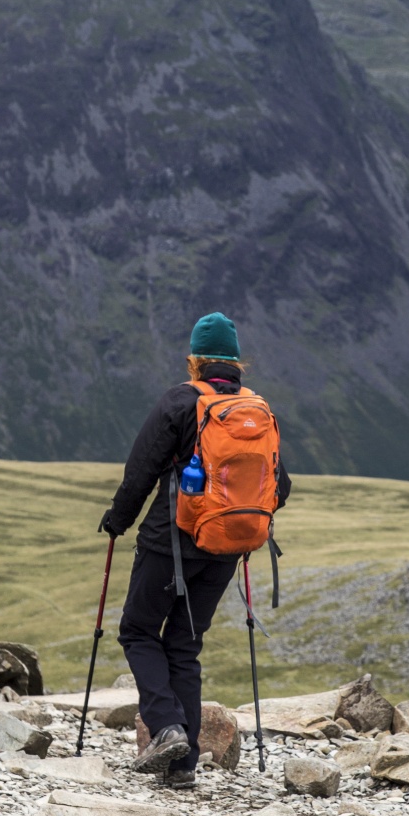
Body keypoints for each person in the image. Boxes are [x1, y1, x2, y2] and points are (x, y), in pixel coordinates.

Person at [98, 312, 290, 788]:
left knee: (139, 631)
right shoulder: (256, 411)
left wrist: (118, 521)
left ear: (195, 361)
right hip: (227, 548)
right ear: (236, 362)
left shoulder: (181, 403)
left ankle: (165, 729)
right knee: (184, 644)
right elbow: (280, 487)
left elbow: (140, 470)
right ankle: (183, 769)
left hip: (170, 543)